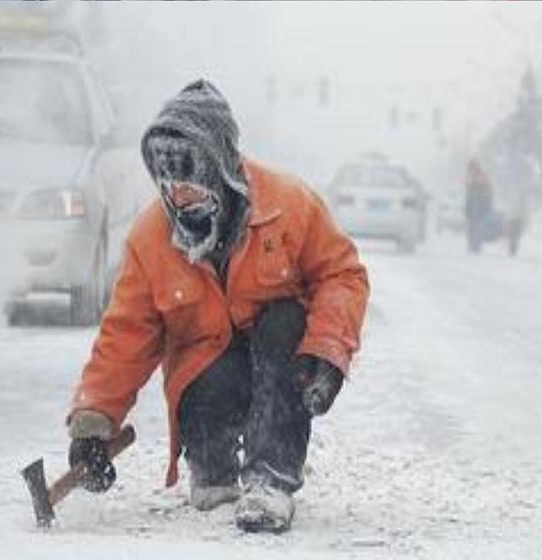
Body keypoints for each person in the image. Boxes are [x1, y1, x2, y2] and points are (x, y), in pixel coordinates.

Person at [65, 80, 369, 533]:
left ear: (223, 170)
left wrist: (328, 350)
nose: (179, 196)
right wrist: (94, 423)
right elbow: (126, 334)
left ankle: (271, 478)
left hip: (278, 365)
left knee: (285, 320)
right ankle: (214, 470)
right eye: (169, 185)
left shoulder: (290, 206)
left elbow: (343, 275)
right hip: (207, 375)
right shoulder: (151, 238)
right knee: (204, 362)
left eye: (191, 183)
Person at [464, 158, 494, 253]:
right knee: (471, 225)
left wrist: (486, 201)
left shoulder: (482, 176)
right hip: (472, 205)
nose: (471, 169)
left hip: (480, 204)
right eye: (470, 167)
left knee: (477, 225)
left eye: (472, 167)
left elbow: (488, 190)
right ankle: (472, 244)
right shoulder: (470, 176)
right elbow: (468, 192)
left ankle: (476, 244)